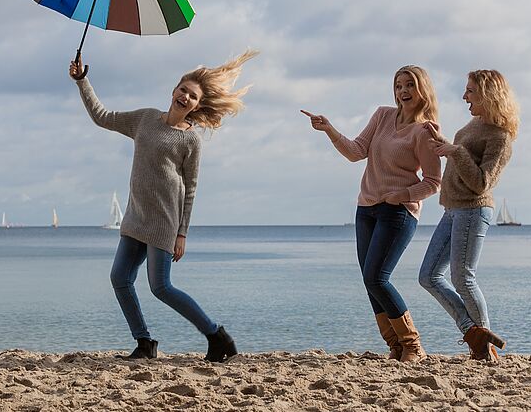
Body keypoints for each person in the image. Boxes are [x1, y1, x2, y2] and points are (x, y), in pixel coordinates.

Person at [69, 50, 258, 361]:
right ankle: (144, 343)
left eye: (193, 96)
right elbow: (102, 116)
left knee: (161, 287)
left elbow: (191, 189)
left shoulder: (191, 141)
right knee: (120, 279)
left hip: (164, 224)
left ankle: (216, 335)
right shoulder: (144, 119)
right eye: (183, 90)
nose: (185, 97)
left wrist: (181, 234)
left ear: (197, 106)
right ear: (174, 91)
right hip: (135, 217)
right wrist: (82, 81)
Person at [302, 65, 441, 362]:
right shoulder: (382, 115)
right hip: (366, 208)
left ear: (422, 91)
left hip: (398, 212)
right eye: (399, 85)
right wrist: (329, 129)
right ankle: (395, 345)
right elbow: (356, 152)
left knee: (378, 277)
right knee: (369, 279)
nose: (403, 91)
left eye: (410, 86)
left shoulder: (424, 132)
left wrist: (401, 195)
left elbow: (433, 182)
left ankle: (413, 345)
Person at [419, 69, 519, 362]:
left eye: (470, 91)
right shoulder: (475, 124)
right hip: (452, 209)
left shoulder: (500, 138)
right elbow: (461, 155)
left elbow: (481, 182)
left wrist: (454, 151)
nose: (464, 97)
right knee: (428, 276)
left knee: (463, 278)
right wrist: (443, 142)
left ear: (488, 94)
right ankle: (474, 332)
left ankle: (483, 343)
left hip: (473, 210)